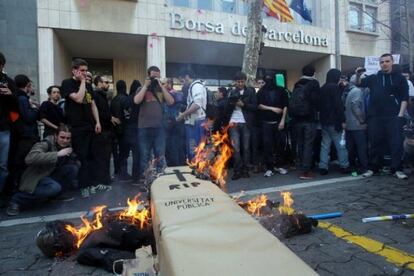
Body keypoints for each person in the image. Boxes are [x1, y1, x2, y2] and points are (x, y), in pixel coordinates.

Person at [6, 125, 79, 216]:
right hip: (36, 177)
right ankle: (16, 201)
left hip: (50, 174)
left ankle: (54, 196)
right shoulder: (45, 143)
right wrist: (57, 154)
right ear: (56, 136)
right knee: (54, 187)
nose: (65, 140)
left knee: (73, 169)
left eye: (68, 138)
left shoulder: (66, 145)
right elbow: (29, 158)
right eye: (62, 137)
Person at [356, 53, 409, 179]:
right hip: (375, 116)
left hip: (393, 116)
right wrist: (358, 74)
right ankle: (373, 168)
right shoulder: (374, 78)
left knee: (396, 143)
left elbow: (404, 98)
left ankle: (397, 169)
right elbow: (359, 84)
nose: (384, 64)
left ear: (391, 62)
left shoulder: (400, 79)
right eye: (382, 62)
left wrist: (400, 115)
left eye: (387, 61)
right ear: (379, 64)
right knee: (375, 143)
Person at [61, 58, 102, 196]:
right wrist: (83, 82)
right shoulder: (67, 83)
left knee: (92, 156)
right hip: (77, 127)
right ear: (74, 70)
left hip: (89, 126)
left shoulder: (88, 86)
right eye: (82, 70)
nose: (84, 73)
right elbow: (78, 98)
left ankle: (91, 184)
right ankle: (83, 186)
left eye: (86, 71)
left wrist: (97, 122)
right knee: (82, 157)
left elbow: (92, 104)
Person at [133, 66, 174, 187]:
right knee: (145, 156)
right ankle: (146, 181)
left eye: (158, 76)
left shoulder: (161, 91)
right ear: (148, 75)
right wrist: (146, 86)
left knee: (160, 155)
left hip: (159, 128)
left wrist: (161, 85)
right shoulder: (141, 88)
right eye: (153, 76)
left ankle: (160, 181)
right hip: (144, 128)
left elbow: (171, 101)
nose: (156, 78)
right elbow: (136, 101)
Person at [223, 71, 258, 180]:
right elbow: (225, 109)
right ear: (235, 82)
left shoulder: (251, 91)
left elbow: (255, 107)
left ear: (245, 81)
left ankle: (245, 170)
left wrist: (243, 105)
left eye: (242, 81)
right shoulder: (231, 92)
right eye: (238, 82)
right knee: (236, 148)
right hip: (233, 122)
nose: (240, 83)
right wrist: (231, 103)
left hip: (246, 122)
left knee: (246, 148)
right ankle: (237, 170)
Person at [290, 64, 321, 180]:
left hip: (297, 120)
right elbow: (317, 101)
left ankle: (302, 166)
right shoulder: (314, 83)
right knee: (309, 145)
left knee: (301, 144)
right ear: (313, 73)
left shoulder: (297, 84)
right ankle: (306, 171)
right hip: (310, 119)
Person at [318, 69, 350, 175]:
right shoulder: (335, 88)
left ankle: (323, 167)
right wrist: (343, 120)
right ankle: (344, 166)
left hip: (324, 121)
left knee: (325, 145)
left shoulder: (322, 88)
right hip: (335, 121)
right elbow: (338, 105)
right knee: (340, 145)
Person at [257, 74, 289, 177]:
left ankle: (279, 165)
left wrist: (283, 120)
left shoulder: (281, 90)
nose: (269, 81)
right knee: (267, 146)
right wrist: (272, 108)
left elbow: (285, 106)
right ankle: (269, 167)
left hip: (279, 122)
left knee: (280, 144)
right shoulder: (261, 91)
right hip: (266, 123)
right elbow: (259, 105)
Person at [345, 74, 373, 177]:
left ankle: (353, 167)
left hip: (350, 125)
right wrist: (362, 121)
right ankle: (364, 167)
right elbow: (355, 106)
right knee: (362, 148)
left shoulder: (351, 91)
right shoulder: (358, 91)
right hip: (357, 125)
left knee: (352, 148)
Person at [14, 74, 40, 185]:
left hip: (24, 136)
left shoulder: (20, 98)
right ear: (28, 85)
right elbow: (29, 118)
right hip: (27, 137)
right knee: (24, 163)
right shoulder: (22, 98)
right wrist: (35, 109)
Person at [91, 76, 116, 186]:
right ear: (99, 83)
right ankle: (103, 180)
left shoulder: (102, 95)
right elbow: (99, 112)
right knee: (102, 156)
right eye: (106, 82)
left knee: (106, 156)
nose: (108, 84)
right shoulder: (96, 95)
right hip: (101, 131)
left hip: (106, 130)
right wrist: (110, 118)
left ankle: (105, 178)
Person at [0, 52, 18, 206]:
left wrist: (11, 95)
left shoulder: (8, 81)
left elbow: (17, 106)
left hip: (4, 129)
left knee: (3, 166)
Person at [177, 69, 207, 161]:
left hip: (196, 121)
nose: (182, 84)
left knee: (193, 146)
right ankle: (197, 166)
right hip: (194, 121)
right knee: (194, 146)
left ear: (186, 77)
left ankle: (197, 166)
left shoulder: (196, 86)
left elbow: (197, 104)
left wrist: (183, 115)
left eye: (182, 81)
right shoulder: (194, 86)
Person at [163, 78, 186, 166]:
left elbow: (171, 104)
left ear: (169, 84)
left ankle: (175, 166)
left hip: (173, 125)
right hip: (175, 124)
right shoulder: (177, 93)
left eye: (164, 83)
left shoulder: (175, 94)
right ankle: (180, 165)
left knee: (173, 147)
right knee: (177, 146)